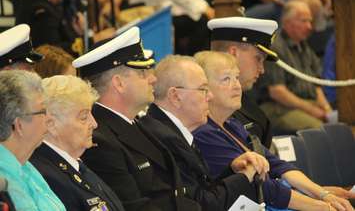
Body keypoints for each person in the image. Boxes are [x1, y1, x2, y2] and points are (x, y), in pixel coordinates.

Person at [193, 51, 354, 211]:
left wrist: (323, 194)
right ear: (204, 89)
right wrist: (324, 207)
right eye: (226, 79)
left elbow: (277, 165)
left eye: (236, 77)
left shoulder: (232, 125)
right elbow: (264, 189)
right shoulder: (204, 133)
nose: (236, 85)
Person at [73, 27, 201, 211]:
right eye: (142, 73)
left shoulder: (138, 123)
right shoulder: (99, 140)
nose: (152, 79)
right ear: (119, 83)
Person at [143, 54, 267, 210]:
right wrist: (245, 175)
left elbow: (201, 190)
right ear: (175, 96)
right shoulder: (163, 139)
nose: (210, 96)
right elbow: (203, 204)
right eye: (203, 89)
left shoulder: (171, 130)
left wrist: (233, 169)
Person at [30, 75, 125, 211]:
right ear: (51, 124)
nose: (94, 124)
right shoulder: (47, 175)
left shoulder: (74, 165)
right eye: (84, 117)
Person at [259, 0, 332, 133]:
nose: (310, 26)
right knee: (320, 130)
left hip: (306, 104)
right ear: (287, 22)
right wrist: (312, 110)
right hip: (279, 108)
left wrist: (326, 109)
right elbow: (277, 92)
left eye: (310, 21)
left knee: (338, 125)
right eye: (304, 21)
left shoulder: (305, 46)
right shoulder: (275, 47)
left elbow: (316, 85)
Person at [0, 70, 66, 211]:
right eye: (42, 112)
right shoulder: (3, 179)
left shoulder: (26, 166)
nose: (49, 118)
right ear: (19, 125)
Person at [209, 16, 279, 148]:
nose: (262, 70)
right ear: (233, 53)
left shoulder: (250, 107)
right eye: (258, 59)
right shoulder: (204, 107)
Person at [16, 0, 115, 57]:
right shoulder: (40, 9)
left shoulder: (41, 3)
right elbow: (53, 52)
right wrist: (93, 40)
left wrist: (81, 33)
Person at [129, 0, 214, 55]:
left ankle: (188, 55)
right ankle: (192, 56)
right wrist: (203, 8)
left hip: (161, 12)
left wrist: (204, 7)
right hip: (146, 15)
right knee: (202, 21)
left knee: (202, 18)